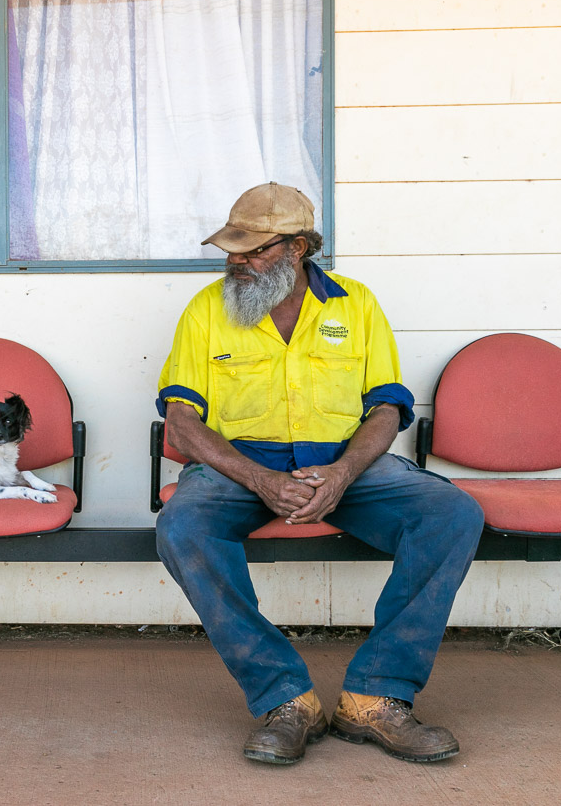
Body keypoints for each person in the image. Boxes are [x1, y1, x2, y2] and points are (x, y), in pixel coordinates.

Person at [155, 182, 483, 765]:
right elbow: (181, 423)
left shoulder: (354, 304)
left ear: (298, 247)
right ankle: (286, 699)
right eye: (232, 247)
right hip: (240, 468)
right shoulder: (207, 309)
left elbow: (385, 409)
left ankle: (376, 696)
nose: (236, 260)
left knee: (450, 513)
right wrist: (260, 480)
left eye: (253, 250)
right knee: (183, 527)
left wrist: (341, 474)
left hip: (344, 463)